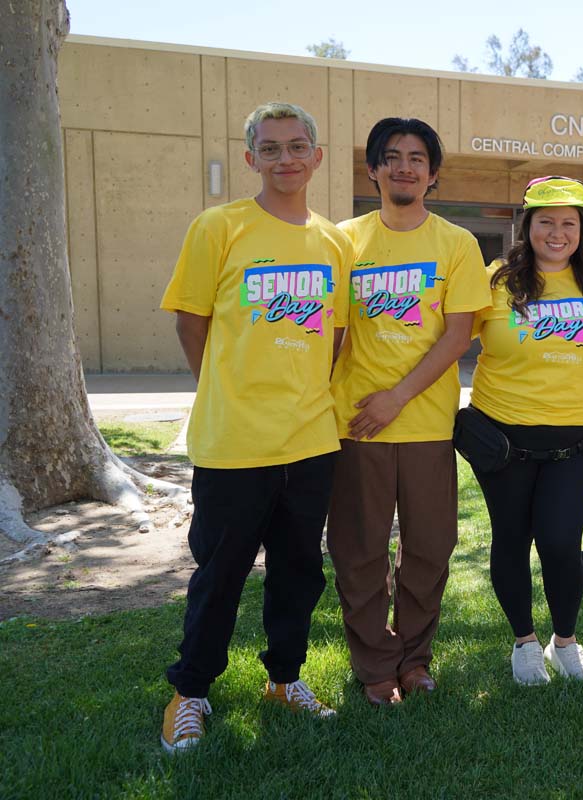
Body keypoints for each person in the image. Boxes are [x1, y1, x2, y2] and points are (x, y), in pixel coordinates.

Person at [159, 102, 352, 751]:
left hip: (311, 441)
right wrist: (222, 385)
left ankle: (285, 679)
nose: (285, 158)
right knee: (220, 573)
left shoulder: (334, 242)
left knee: (300, 571)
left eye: (297, 146)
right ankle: (191, 692)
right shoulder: (219, 228)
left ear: (316, 157)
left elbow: (337, 335)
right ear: (251, 160)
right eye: (270, 149)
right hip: (233, 443)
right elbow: (191, 321)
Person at [326, 118, 490, 705]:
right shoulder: (342, 241)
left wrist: (397, 396)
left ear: (433, 174)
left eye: (416, 158)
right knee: (360, 549)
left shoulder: (456, 244)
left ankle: (415, 659)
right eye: (391, 157)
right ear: (371, 169)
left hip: (424, 423)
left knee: (428, 547)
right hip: (356, 424)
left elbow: (458, 335)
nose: (404, 167)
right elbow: (332, 332)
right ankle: (374, 665)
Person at [468, 176, 583, 685]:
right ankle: (524, 642)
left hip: (573, 444)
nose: (558, 233)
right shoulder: (494, 282)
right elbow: (447, 338)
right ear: (527, 226)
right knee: (510, 540)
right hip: (503, 443)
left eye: (569, 224)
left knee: (560, 543)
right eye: (546, 222)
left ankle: (566, 642)